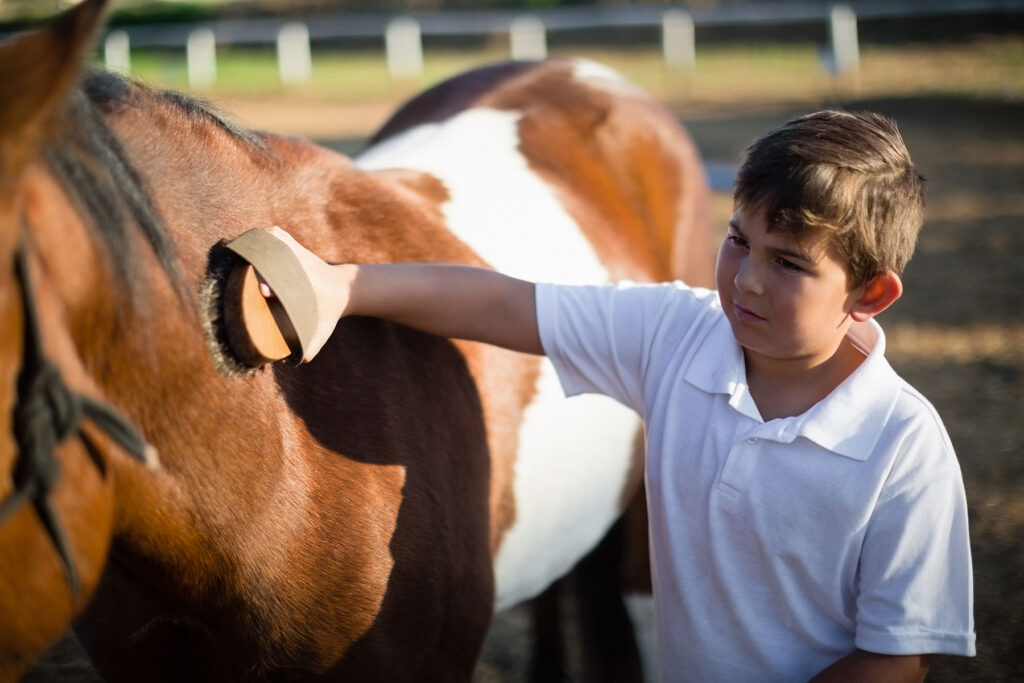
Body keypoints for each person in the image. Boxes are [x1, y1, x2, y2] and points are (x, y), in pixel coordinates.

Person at [237, 109, 975, 680]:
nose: (746, 278)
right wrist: (343, 284)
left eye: (788, 262)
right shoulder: (680, 334)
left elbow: (895, 658)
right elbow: (504, 306)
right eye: (738, 239)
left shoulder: (902, 446)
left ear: (871, 293)